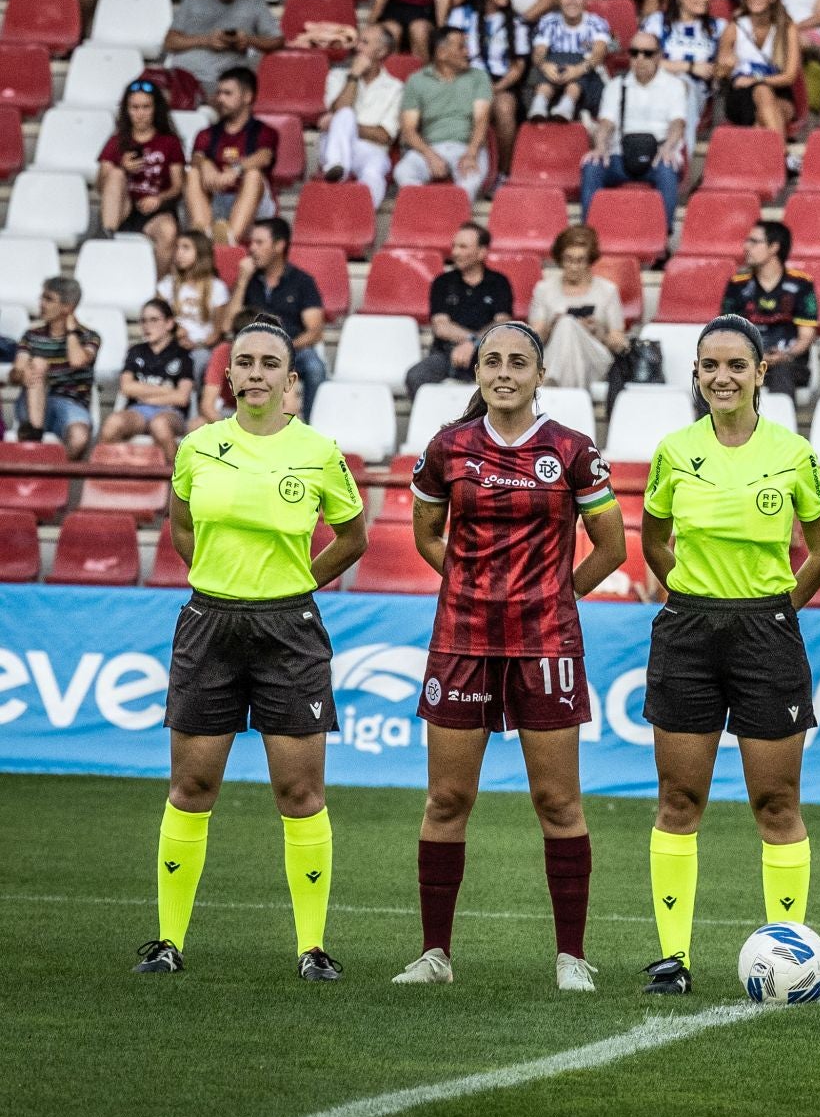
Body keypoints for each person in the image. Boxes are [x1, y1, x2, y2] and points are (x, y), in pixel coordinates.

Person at [393, 322, 624, 991]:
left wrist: (554, 598)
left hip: (545, 644)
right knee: (446, 798)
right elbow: (427, 534)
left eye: (518, 362)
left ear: (540, 374)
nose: (503, 372)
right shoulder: (448, 448)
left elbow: (610, 548)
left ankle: (571, 957)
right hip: (462, 641)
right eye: (492, 360)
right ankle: (435, 955)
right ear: (478, 372)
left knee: (557, 800)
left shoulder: (572, 451)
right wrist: (472, 587)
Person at [135, 319, 369, 979]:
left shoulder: (320, 451)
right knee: (192, 784)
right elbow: (183, 527)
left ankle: (313, 947)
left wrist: (296, 585)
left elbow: (352, 538)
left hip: (288, 632)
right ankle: (168, 942)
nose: (258, 373)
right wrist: (221, 581)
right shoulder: (197, 448)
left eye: (272, 363)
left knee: (299, 790)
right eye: (246, 362)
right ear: (230, 375)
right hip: (208, 624)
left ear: (291, 381)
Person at [635, 315, 820, 995]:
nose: (722, 377)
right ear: (696, 375)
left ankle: (789, 960)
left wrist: (778, 608)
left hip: (766, 633)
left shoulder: (793, 452)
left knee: (775, 801)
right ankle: (673, 959)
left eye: (735, 365)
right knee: (679, 798)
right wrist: (694, 594)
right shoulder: (673, 451)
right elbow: (654, 538)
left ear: (760, 373)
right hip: (688, 630)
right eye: (709, 366)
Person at [579, 31, 689, 229]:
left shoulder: (675, 86)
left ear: (658, 56)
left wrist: (668, 147)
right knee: (592, 165)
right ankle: (588, 235)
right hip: (621, 155)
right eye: (634, 53)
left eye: (647, 53)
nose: (640, 58)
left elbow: (677, 123)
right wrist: (600, 146)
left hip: (657, 156)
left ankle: (662, 237)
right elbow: (606, 123)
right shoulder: (615, 86)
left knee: (666, 168)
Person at [227, 219, 328, 417]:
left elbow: (315, 331)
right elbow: (227, 325)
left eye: (259, 243)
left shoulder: (302, 282)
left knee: (315, 367)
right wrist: (242, 281)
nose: (252, 249)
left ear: (279, 246)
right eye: (251, 243)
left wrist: (284, 349)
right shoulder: (248, 280)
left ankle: (310, 428)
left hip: (292, 349)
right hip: (249, 350)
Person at [406, 223, 516, 396]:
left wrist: (474, 344)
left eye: (462, 247)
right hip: (446, 353)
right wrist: (471, 339)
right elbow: (441, 327)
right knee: (415, 376)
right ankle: (432, 421)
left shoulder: (499, 282)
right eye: (454, 246)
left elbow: (502, 323)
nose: (455, 252)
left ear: (482, 252)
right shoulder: (442, 282)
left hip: (488, 355)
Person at [448, 0, 532, 175]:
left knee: (504, 108)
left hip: (501, 83)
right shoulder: (461, 15)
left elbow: (518, 66)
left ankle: (503, 174)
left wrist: (494, 89)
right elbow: (449, 54)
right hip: (465, 78)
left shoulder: (516, 21)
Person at [164, 0, 284, 97]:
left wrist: (248, 40)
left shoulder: (255, 4)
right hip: (183, 77)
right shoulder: (193, 2)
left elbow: (278, 41)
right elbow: (169, 42)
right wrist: (206, 40)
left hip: (223, 83)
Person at [720, 221, 819, 398]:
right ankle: (710, 426)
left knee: (782, 372)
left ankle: (779, 425)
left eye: (754, 242)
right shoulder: (737, 284)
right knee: (713, 376)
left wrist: (785, 355)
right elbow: (728, 333)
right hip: (745, 362)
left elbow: (806, 337)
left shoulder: (801, 284)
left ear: (774, 247)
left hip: (788, 363)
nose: (745, 247)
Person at [395, 26, 494, 202]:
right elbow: (408, 129)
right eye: (461, 47)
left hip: (467, 147)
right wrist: (430, 155)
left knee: (468, 183)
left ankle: (447, 221)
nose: (467, 52)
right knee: (403, 172)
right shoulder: (416, 81)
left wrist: (471, 154)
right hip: (429, 148)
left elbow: (481, 120)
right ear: (441, 53)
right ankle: (429, 217)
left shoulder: (479, 77)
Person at [183, 67, 280, 246]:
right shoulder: (206, 133)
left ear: (247, 97)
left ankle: (230, 239)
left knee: (253, 175)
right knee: (193, 173)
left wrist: (236, 170)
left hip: (253, 209)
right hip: (216, 200)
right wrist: (205, 164)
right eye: (219, 93)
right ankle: (204, 235)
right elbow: (196, 157)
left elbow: (264, 157)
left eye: (228, 93)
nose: (220, 99)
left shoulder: (264, 132)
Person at [530, 224, 628, 388]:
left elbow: (619, 343)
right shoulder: (544, 289)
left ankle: (556, 390)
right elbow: (535, 339)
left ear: (590, 261)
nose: (574, 266)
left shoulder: (608, 291)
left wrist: (598, 332)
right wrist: (552, 326)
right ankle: (573, 394)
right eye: (569, 259)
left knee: (568, 325)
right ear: (560, 259)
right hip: (554, 353)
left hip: (594, 358)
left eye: (580, 260)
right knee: (566, 325)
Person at [97, 78, 185, 262]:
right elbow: (101, 185)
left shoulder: (170, 142)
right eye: (134, 108)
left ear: (155, 109)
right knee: (116, 173)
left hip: (155, 210)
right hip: (123, 207)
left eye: (146, 107)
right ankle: (106, 237)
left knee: (168, 231)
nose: (140, 114)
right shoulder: (117, 141)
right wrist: (123, 167)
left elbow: (178, 186)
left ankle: (159, 286)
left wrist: (159, 199)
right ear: (127, 110)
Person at [13, 277, 101, 459]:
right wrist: (23, 374)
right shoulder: (31, 335)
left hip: (71, 403)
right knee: (38, 364)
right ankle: (35, 431)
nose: (41, 304)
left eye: (48, 299)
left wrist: (70, 332)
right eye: (42, 298)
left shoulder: (89, 337)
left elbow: (77, 361)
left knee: (79, 438)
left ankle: (52, 479)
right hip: (32, 401)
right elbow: (15, 373)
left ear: (67, 307)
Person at [318, 27, 404, 207]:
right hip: (333, 146)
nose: (357, 47)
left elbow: (384, 136)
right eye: (358, 41)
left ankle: (360, 215)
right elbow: (341, 109)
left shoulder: (396, 88)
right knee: (346, 113)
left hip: (371, 150)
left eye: (365, 43)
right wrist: (354, 75)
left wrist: (343, 125)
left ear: (381, 51)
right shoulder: (337, 76)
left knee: (374, 171)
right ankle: (337, 165)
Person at [101, 299, 194, 460]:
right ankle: (115, 480)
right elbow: (126, 387)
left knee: (160, 425)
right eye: (143, 320)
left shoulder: (182, 355)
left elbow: (181, 398)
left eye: (153, 320)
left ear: (169, 323)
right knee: (112, 424)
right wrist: (166, 391)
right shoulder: (136, 351)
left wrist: (143, 393)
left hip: (171, 413)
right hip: (139, 411)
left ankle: (177, 480)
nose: (147, 326)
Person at [720, 0, 802, 133]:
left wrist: (755, 79)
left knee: (769, 113)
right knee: (763, 94)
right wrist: (725, 67)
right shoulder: (734, 28)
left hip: (779, 90)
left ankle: (771, 157)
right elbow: (719, 72)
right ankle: (782, 157)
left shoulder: (787, 28)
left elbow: (789, 76)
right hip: (741, 94)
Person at [645, 0, 726, 130]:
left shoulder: (718, 27)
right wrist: (690, 67)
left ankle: (680, 147)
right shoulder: (657, 22)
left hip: (696, 92)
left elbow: (724, 66)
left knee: (682, 87)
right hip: (656, 86)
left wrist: (718, 69)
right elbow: (644, 61)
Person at [528, 0, 614, 122]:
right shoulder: (548, 21)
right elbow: (539, 52)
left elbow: (598, 54)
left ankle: (565, 102)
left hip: (586, 84)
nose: (572, 1)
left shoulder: (597, 23)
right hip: (551, 79)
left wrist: (577, 70)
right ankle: (541, 103)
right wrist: (545, 66)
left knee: (575, 60)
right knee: (554, 60)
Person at [160, 231, 232, 375]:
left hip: (202, 348)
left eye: (186, 248)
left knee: (200, 360)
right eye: (177, 247)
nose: (179, 253)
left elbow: (218, 332)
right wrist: (175, 330)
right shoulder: (168, 284)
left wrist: (197, 344)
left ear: (200, 253)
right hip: (171, 343)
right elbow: (157, 316)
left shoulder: (217, 288)